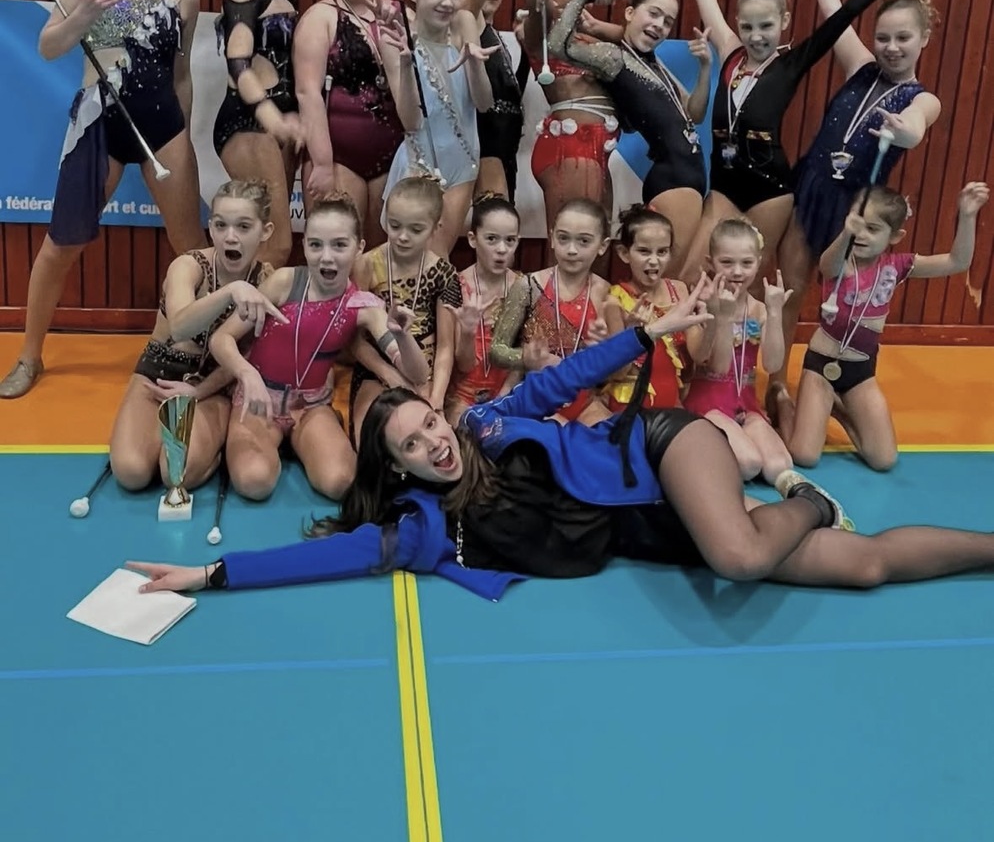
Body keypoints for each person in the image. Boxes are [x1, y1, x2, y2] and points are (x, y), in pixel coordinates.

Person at [130, 278, 994, 598]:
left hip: (655, 453)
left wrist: (648, 336)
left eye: (427, 423)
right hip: (654, 530)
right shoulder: (427, 529)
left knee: (739, 557)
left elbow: (555, 382)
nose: (433, 442)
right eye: (412, 448)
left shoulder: (483, 424)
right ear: (399, 471)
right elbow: (335, 556)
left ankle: (805, 502)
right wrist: (211, 576)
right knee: (864, 568)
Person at [1, 0, 204, 399]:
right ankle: (29, 356)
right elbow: (48, 47)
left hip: (164, 131)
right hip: (100, 128)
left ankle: (197, 350)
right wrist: (85, 16)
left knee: (192, 250)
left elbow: (181, 75)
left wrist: (183, 133)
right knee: (59, 246)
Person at [681, 0, 927, 281]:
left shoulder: (791, 64)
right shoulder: (730, 51)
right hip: (724, 186)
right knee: (692, 273)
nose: (756, 36)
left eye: (766, 26)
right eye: (747, 27)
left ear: (784, 21)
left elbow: (847, 12)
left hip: (770, 192)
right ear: (737, 23)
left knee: (749, 283)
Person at [771, 0, 943, 388]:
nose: (891, 47)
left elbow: (918, 123)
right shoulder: (861, 65)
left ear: (924, 38)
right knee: (790, 291)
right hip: (812, 190)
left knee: (843, 301)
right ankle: (776, 386)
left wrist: (905, 131)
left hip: (855, 210)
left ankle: (835, 384)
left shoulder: (923, 98)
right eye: (883, 37)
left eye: (903, 38)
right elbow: (836, 14)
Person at [208, 194, 428, 501]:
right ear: (305, 245)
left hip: (310, 406)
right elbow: (221, 339)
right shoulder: (285, 282)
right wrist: (247, 374)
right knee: (254, 482)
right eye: (316, 245)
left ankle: (307, 440)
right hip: (259, 399)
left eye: (339, 245)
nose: (326, 257)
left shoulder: (363, 306)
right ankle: (258, 444)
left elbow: (418, 374)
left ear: (359, 247)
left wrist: (403, 337)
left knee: (341, 483)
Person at [775, 181, 989, 471]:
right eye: (857, 224)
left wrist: (967, 216)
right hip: (822, 367)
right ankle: (783, 402)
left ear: (895, 236)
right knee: (805, 456)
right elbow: (827, 264)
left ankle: (838, 409)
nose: (861, 234)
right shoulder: (842, 261)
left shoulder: (897, 266)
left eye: (873, 229)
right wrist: (845, 235)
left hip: (861, 372)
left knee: (884, 460)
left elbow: (957, 262)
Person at [109, 180, 279, 490]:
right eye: (221, 225)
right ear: (211, 227)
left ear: (265, 231)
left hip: (213, 385)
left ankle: (212, 451)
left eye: (243, 227)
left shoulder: (266, 281)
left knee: (177, 474)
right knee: (131, 473)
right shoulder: (189, 266)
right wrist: (231, 291)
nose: (230, 236)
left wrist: (199, 392)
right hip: (159, 373)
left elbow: (247, 354)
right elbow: (180, 327)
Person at [549, 0, 712, 272]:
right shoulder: (614, 58)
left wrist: (705, 68)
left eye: (668, 21)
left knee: (676, 280)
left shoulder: (654, 63)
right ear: (629, 13)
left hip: (686, 176)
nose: (659, 25)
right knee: (668, 280)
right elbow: (557, 44)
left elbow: (694, 113)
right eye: (654, 13)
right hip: (674, 178)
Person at [293, 0, 410, 245]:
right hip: (339, 158)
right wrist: (322, 162)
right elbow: (307, 93)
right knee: (340, 251)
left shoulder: (404, 16)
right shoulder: (320, 18)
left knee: (384, 258)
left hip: (394, 158)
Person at [380, 0, 495, 256]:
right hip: (418, 162)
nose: (448, 3)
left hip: (462, 162)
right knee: (404, 258)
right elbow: (411, 121)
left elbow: (484, 103)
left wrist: (475, 64)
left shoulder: (464, 23)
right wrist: (407, 65)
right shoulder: (395, 39)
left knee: (437, 257)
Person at [213, 0, 304, 266]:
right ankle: (224, 305)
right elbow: (238, 60)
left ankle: (244, 304)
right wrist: (267, 113)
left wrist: (291, 116)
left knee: (266, 246)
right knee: (274, 244)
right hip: (248, 121)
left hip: (277, 124)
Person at [682, 219, 796, 485]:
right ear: (710, 262)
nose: (737, 271)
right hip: (708, 405)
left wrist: (775, 312)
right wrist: (722, 318)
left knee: (780, 467)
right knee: (748, 464)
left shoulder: (758, 309)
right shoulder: (701, 305)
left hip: (745, 403)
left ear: (759, 262)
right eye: (727, 262)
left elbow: (773, 363)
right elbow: (718, 366)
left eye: (746, 263)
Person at [349, 176, 463, 441]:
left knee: (429, 437)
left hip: (426, 374)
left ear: (435, 228)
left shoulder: (445, 274)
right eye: (394, 225)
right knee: (373, 439)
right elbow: (354, 341)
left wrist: (436, 400)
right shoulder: (366, 264)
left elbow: (446, 347)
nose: (402, 236)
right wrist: (389, 375)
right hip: (376, 369)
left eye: (415, 230)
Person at [520, 0, 622, 233]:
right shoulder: (540, 31)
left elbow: (631, 38)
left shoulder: (588, 36)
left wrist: (598, 26)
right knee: (576, 244)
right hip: (572, 147)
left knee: (598, 242)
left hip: (595, 150)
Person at [489, 198, 613, 422]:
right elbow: (496, 350)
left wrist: (602, 351)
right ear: (552, 237)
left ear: (603, 245)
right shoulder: (528, 286)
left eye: (584, 241)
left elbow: (613, 366)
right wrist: (527, 359)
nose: (572, 250)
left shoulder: (607, 294)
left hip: (583, 400)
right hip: (533, 393)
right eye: (563, 238)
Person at [457, 0, 530, 200]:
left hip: (505, 151)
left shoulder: (494, 33)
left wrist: (526, 52)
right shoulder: (466, 15)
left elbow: (510, 97)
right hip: (483, 147)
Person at [443, 194, 524, 425]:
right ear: (472, 239)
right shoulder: (456, 286)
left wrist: (502, 399)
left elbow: (520, 361)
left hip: (507, 393)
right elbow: (463, 365)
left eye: (510, 240)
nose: (501, 249)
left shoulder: (524, 288)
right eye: (491, 239)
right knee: (468, 433)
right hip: (463, 395)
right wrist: (468, 331)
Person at [601, 205, 690, 413]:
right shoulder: (615, 300)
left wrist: (715, 316)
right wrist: (631, 336)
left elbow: (697, 359)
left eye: (662, 251)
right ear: (624, 253)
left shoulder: (679, 291)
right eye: (644, 251)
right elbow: (618, 374)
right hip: (630, 406)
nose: (653, 260)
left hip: (672, 404)